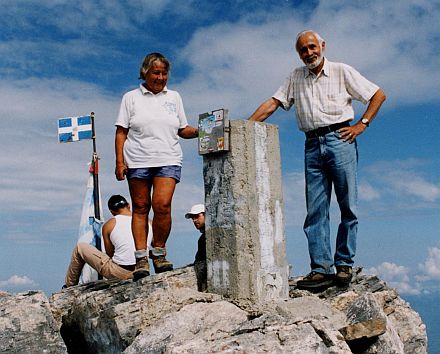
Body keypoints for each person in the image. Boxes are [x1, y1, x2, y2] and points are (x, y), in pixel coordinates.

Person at [248, 30, 386, 290]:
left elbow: (378, 94)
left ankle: (343, 264)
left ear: (322, 45)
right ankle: (321, 269)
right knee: (316, 209)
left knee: (348, 205)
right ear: (298, 53)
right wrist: (245, 126)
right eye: (303, 50)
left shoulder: (341, 71)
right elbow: (274, 103)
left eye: (312, 47)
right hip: (312, 143)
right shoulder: (295, 77)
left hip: (340, 139)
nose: (309, 53)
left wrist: (362, 124)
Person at [115, 52, 198, 280]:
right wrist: (119, 162)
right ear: (145, 73)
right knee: (141, 207)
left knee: (162, 205)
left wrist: (203, 130)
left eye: (164, 73)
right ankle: (140, 258)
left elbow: (183, 129)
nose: (160, 77)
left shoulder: (175, 97)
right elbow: (121, 131)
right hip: (138, 160)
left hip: (168, 158)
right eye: (156, 73)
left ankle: (159, 252)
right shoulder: (130, 98)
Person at [64, 195, 136, 287]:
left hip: (118, 272)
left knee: (80, 248)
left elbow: (110, 254)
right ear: (128, 205)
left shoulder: (109, 225)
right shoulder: (147, 221)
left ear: (112, 212)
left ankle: (69, 285)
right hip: (138, 271)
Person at [185, 204, 207, 291]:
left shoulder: (206, 237)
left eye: (197, 216)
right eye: (192, 218)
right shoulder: (203, 238)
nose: (194, 220)